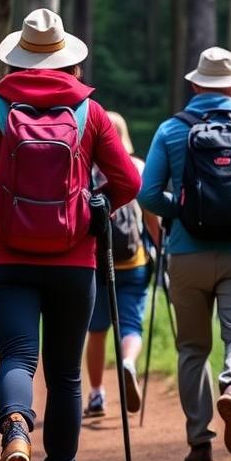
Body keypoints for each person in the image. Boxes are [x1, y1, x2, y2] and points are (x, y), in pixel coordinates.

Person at [0, 8, 140, 461]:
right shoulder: (90, 114)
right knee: (65, 376)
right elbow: (128, 184)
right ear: (66, 60)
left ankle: (15, 432)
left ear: (17, 59)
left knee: (17, 357)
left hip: (7, 258)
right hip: (74, 262)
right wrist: (92, 202)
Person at [138, 47, 231, 461]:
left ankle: (200, 444)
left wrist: (182, 211)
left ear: (195, 84)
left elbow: (146, 194)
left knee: (192, 348)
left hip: (186, 252)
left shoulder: (172, 130)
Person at [83, 111, 160, 419]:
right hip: (134, 261)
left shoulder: (86, 168)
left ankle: (97, 393)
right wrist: (160, 247)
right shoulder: (138, 168)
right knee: (130, 326)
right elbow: (152, 218)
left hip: (96, 261)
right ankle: (127, 362)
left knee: (97, 330)